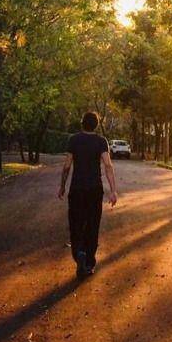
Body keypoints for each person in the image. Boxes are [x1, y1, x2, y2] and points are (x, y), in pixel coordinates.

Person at [58, 111, 118, 278]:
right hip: (94, 190)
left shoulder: (74, 140)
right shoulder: (101, 142)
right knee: (92, 225)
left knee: (76, 224)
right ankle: (89, 262)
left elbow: (67, 166)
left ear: (82, 123)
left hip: (77, 189)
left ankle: (79, 254)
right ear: (96, 125)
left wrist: (62, 186)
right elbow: (108, 166)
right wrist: (113, 191)